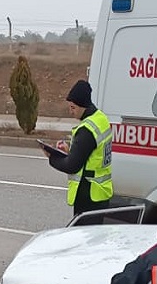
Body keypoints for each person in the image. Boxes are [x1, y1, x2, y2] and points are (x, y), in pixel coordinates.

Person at [43, 79, 114, 217]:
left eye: (73, 107)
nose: (70, 111)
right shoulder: (100, 119)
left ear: (83, 106)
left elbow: (72, 166)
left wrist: (52, 157)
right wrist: (70, 151)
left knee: (84, 237)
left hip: (88, 195)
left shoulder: (87, 130)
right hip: (101, 193)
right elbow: (91, 155)